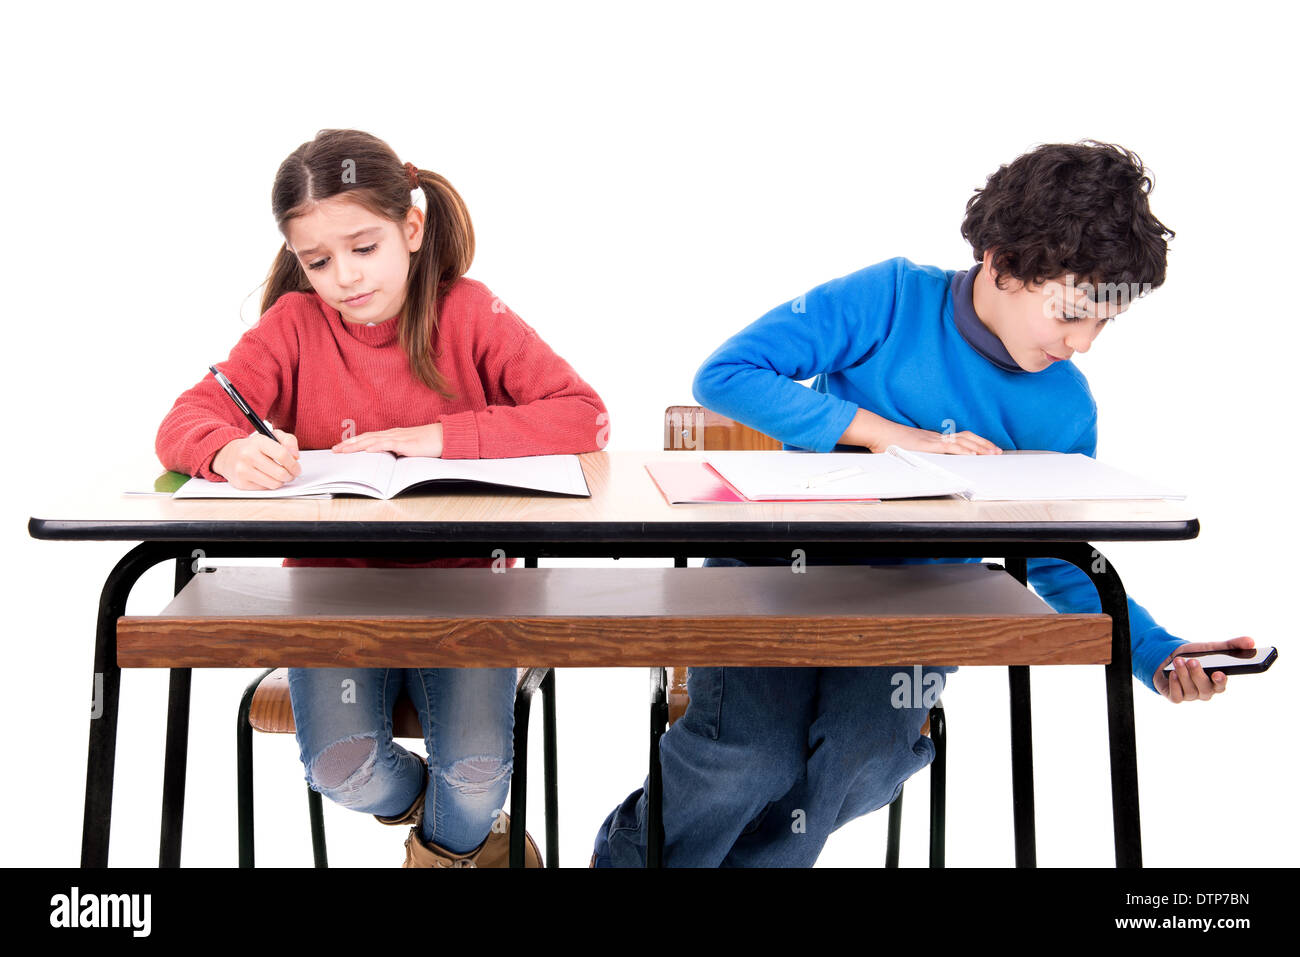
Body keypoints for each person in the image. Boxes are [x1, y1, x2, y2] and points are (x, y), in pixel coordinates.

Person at [593, 139, 1253, 867]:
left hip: (914, 603)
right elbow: (727, 374)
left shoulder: (1065, 411)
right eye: (1071, 313)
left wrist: (1156, 654)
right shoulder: (893, 298)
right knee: (751, 755)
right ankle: (626, 859)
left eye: (1104, 322)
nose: (1084, 343)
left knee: (867, 757)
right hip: (769, 573)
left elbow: (1061, 560)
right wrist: (889, 438)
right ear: (1002, 263)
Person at [156, 128, 609, 867]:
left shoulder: (467, 309)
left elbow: (583, 414)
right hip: (334, 589)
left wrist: (442, 436)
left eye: (364, 248)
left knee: (476, 775)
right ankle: (476, 848)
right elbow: (183, 421)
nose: (345, 277)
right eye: (319, 260)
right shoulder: (294, 326)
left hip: (472, 585)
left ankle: (445, 848)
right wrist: (228, 447)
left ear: (411, 227)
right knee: (343, 767)